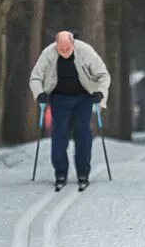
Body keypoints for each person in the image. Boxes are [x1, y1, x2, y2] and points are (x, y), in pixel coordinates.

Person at [29, 31, 111, 192]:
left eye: (67, 48)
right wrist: (39, 94)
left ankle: (83, 173)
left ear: (73, 43)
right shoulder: (48, 53)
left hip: (84, 98)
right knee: (59, 133)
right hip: (59, 98)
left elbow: (103, 75)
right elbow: (35, 77)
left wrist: (100, 93)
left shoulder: (85, 51)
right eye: (61, 48)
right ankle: (60, 173)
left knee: (83, 133)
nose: (64, 51)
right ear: (56, 45)